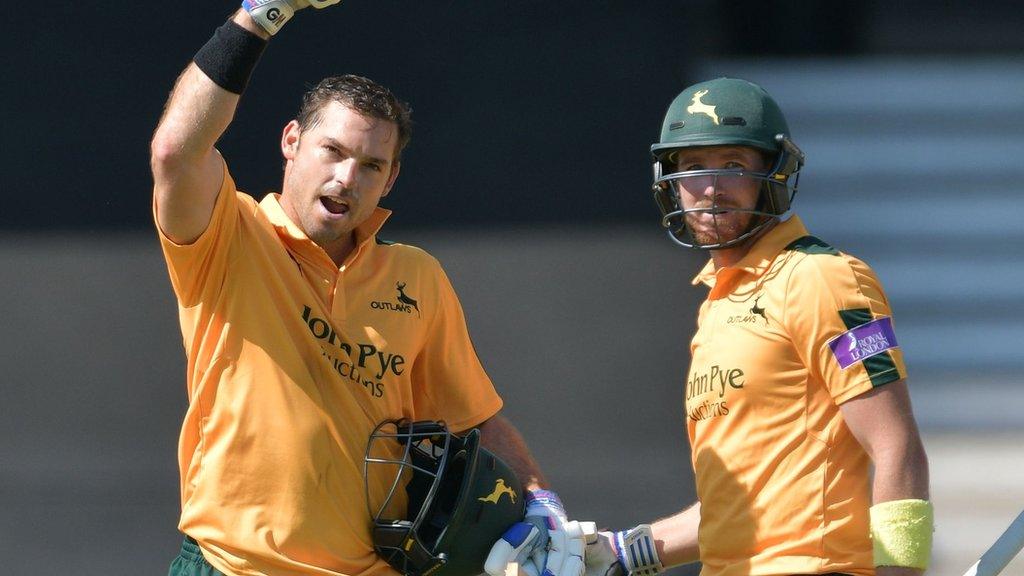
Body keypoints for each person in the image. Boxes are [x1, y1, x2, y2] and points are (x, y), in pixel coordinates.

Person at [149, 2, 584, 575]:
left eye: (372, 165)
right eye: (332, 150)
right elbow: (177, 151)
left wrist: (542, 502)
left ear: (392, 177)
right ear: (291, 141)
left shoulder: (416, 277)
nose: (346, 178)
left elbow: (473, 419)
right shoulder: (230, 233)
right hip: (232, 564)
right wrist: (260, 14)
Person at [581, 78, 932, 576]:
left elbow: (896, 445)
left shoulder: (822, 277)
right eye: (692, 166)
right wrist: (621, 551)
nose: (711, 188)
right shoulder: (720, 302)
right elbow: (742, 506)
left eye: (733, 166)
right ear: (671, 182)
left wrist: (903, 572)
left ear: (775, 173)